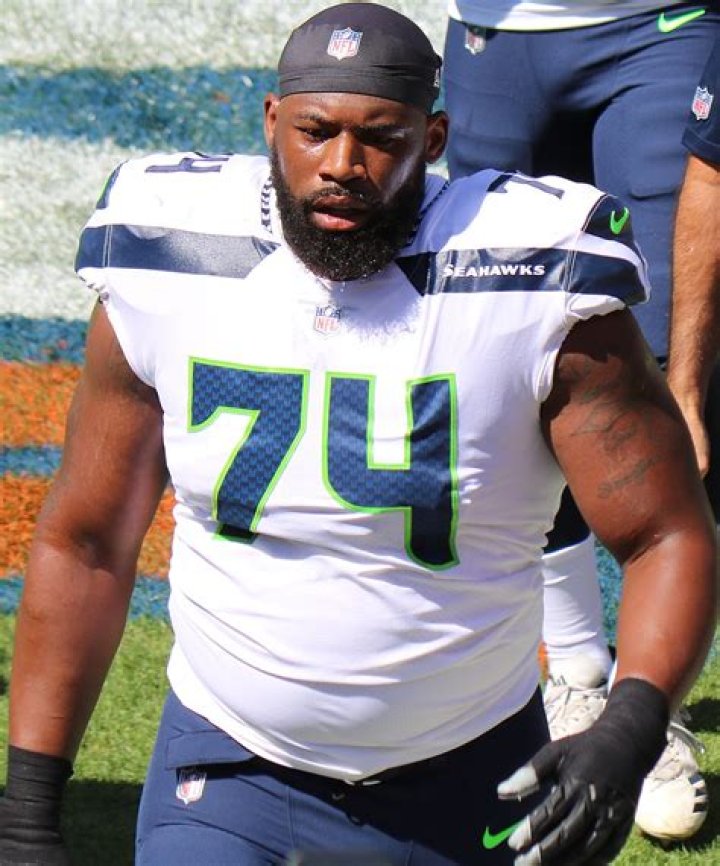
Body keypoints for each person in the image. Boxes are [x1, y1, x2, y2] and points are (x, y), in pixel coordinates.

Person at [1, 4, 717, 864]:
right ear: (273, 121)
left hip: (474, 774)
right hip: (228, 769)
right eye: (316, 132)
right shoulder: (172, 255)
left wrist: (632, 723)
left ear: (435, 138)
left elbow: (665, 533)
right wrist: (28, 810)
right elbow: (86, 542)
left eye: (381, 138)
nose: (343, 166)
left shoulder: (527, 274)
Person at [443, 0, 719, 841]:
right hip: (496, 30)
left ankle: (650, 703)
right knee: (512, 349)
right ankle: (575, 671)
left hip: (657, 20)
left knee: (665, 367)